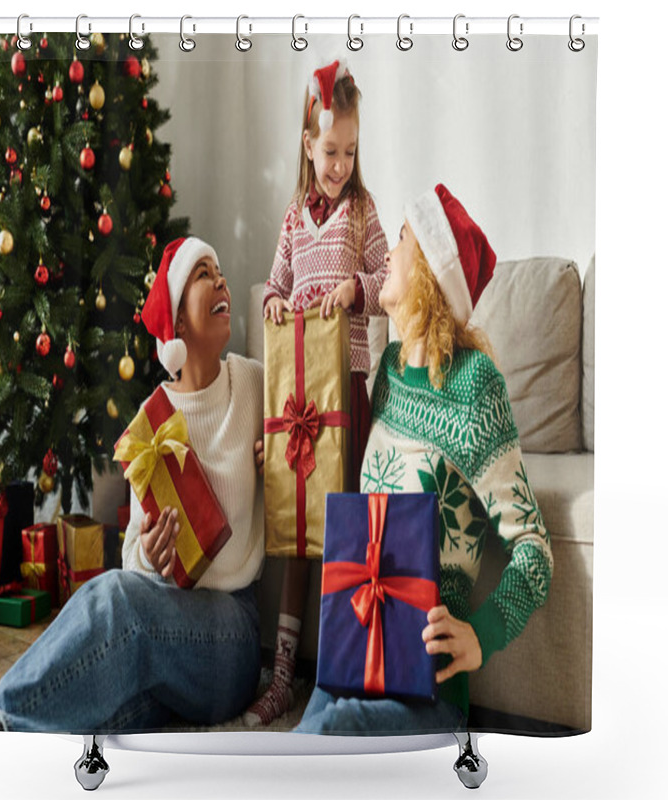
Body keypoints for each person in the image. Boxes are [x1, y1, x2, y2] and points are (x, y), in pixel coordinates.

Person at [0, 237, 265, 733]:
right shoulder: (151, 419)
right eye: (203, 274)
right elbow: (135, 563)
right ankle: (8, 745)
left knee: (115, 600)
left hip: (231, 637)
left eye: (218, 269)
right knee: (106, 709)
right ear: (178, 322)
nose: (221, 279)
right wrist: (150, 554)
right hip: (168, 628)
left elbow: (308, 431)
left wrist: (280, 452)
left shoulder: (252, 384)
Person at [295, 185, 554, 734]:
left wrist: (480, 634)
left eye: (403, 239)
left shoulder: (474, 386)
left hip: (425, 682)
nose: (386, 254)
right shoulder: (387, 372)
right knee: (300, 749)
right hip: (354, 650)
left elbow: (534, 551)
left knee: (324, 738)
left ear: (433, 272)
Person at [244, 59, 389, 727]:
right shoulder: (292, 221)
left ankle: (339, 674)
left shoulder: (362, 211)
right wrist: (275, 302)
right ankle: (282, 677)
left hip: (347, 397)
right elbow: (274, 283)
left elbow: (388, 278)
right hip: (299, 404)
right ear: (308, 145)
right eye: (331, 150)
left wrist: (354, 288)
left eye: (351, 151)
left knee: (344, 532)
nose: (341, 163)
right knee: (299, 538)